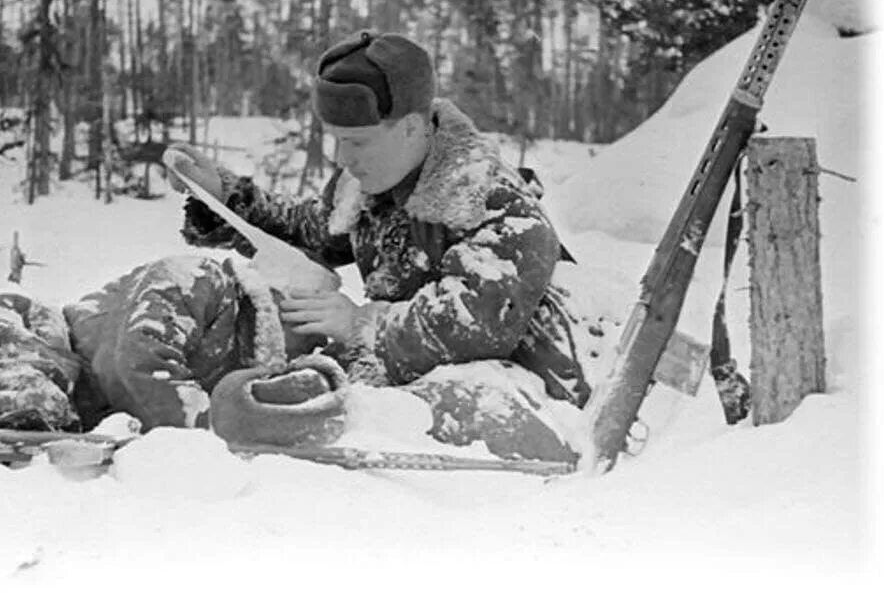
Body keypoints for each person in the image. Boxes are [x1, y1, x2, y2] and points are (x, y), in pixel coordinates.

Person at [170, 29, 590, 407]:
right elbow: (309, 232)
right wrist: (221, 196)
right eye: (337, 141)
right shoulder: (370, 183)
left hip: (533, 394)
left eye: (356, 142)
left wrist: (358, 324)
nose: (342, 158)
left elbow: (476, 326)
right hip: (421, 375)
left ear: (410, 127)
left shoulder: (491, 201)